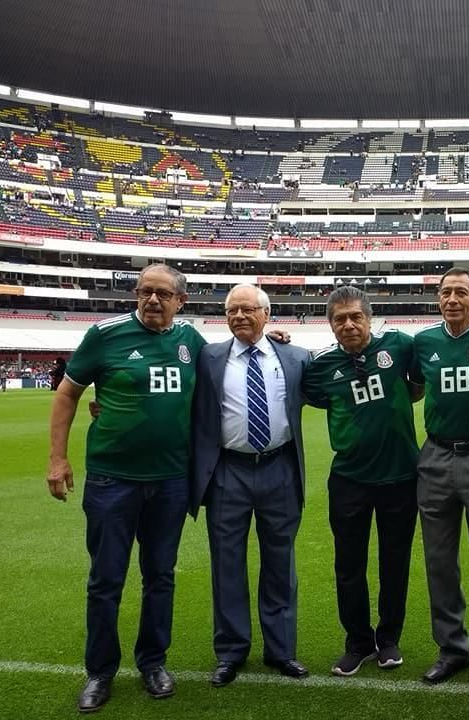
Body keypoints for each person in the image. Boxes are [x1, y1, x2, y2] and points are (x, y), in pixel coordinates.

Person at [46, 263, 206, 713]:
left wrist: (274, 338)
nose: (152, 300)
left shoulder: (191, 341)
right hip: (111, 480)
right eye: (144, 291)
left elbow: (228, 366)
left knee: (160, 576)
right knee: (106, 580)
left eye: (163, 294)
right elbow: (67, 393)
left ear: (180, 301)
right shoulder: (105, 335)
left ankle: (153, 662)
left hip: (170, 481)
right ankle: (100, 671)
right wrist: (57, 458)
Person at [190, 284, 312, 687]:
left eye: (247, 309)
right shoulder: (208, 357)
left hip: (280, 468)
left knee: (281, 563)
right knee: (226, 564)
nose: (239, 316)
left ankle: (281, 650)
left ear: (266, 314)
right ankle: (230, 652)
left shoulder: (295, 357)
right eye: (232, 311)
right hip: (228, 471)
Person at [302, 286, 422, 676]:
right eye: (340, 319)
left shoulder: (400, 346)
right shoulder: (320, 366)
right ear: (330, 324)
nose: (349, 324)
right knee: (348, 565)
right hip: (350, 479)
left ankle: (388, 639)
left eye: (356, 316)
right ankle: (358, 642)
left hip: (400, 476)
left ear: (369, 318)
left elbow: (419, 381)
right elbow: (314, 396)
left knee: (394, 562)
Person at [409, 268, 469, 692]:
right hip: (435, 455)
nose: (452, 299)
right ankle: (452, 648)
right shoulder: (423, 342)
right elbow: (414, 388)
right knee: (439, 560)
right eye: (445, 292)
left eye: (461, 293)